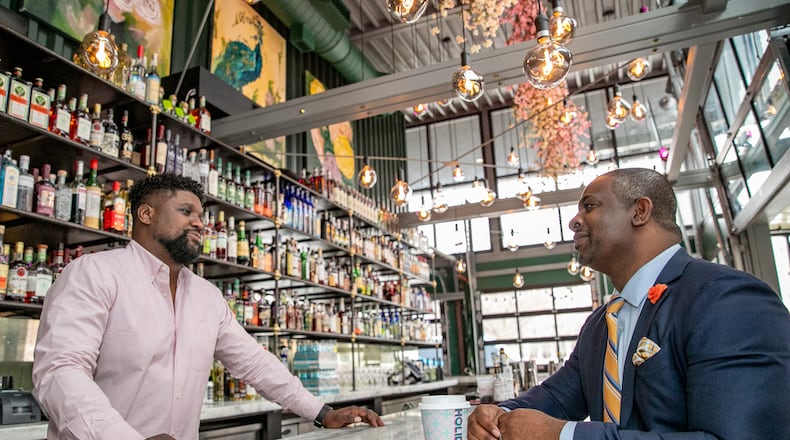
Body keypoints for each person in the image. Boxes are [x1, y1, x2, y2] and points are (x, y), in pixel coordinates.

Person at [33, 174, 384, 439]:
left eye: (202, 215)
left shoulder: (205, 296)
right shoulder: (94, 273)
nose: (200, 223)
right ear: (145, 214)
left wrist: (322, 412)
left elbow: (255, 364)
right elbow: (60, 373)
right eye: (186, 211)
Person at [468, 168, 790, 440]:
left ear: (640, 211)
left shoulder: (725, 298)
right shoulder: (600, 325)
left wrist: (564, 435)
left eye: (589, 206)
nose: (574, 221)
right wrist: (499, 414)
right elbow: (557, 396)